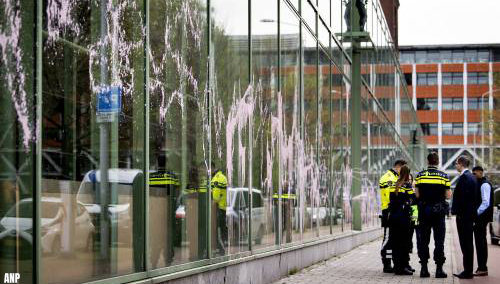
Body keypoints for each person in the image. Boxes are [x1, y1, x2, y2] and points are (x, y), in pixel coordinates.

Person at [415, 152, 451, 278]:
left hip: (424, 212)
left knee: (423, 241)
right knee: (439, 241)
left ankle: (424, 269)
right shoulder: (444, 176)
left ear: (428, 161)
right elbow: (448, 195)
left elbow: (417, 195)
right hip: (438, 212)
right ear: (438, 161)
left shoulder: (420, 175)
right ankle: (439, 270)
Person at [451, 155, 478, 279]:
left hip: (464, 217)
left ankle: (467, 271)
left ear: (461, 164)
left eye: (456, 163)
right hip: (468, 216)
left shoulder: (465, 178)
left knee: (465, 243)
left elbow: (464, 199)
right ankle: (468, 270)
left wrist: (459, 213)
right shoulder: (471, 177)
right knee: (467, 243)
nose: (455, 165)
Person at [379, 159, 407, 273]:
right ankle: (386, 263)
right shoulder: (389, 178)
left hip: (393, 211)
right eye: (403, 169)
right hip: (389, 211)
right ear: (398, 167)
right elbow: (389, 197)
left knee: (393, 238)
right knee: (388, 238)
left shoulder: (394, 177)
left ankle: (391, 263)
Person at [388, 165, 415, 275]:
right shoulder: (407, 186)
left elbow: (392, 201)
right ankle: (403, 267)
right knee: (403, 243)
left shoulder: (393, 185)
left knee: (395, 242)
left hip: (393, 217)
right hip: (403, 218)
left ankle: (397, 266)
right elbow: (414, 199)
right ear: (408, 174)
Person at [472, 166, 493, 277]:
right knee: (481, 243)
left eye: (475, 173)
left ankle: (482, 268)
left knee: (481, 244)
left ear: (480, 172)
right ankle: (482, 267)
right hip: (481, 218)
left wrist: (475, 213)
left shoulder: (484, 184)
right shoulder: (481, 183)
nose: (473, 176)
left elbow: (485, 203)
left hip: (481, 219)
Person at [211, 164, 228, 254]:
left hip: (218, 207)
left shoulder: (216, 179)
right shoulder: (222, 177)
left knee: (215, 229)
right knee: (221, 227)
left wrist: (211, 208)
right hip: (222, 207)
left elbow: (216, 198)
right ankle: (222, 247)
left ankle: (221, 249)